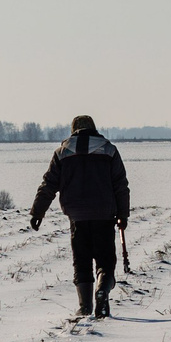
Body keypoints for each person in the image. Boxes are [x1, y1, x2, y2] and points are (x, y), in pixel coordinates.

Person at [30, 115, 130, 318]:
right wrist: (123, 214)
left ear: (73, 129)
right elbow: (121, 185)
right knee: (106, 260)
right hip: (104, 213)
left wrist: (37, 212)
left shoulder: (62, 152)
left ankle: (85, 306)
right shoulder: (109, 149)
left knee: (81, 260)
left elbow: (49, 184)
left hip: (77, 215)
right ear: (93, 128)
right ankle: (102, 288)